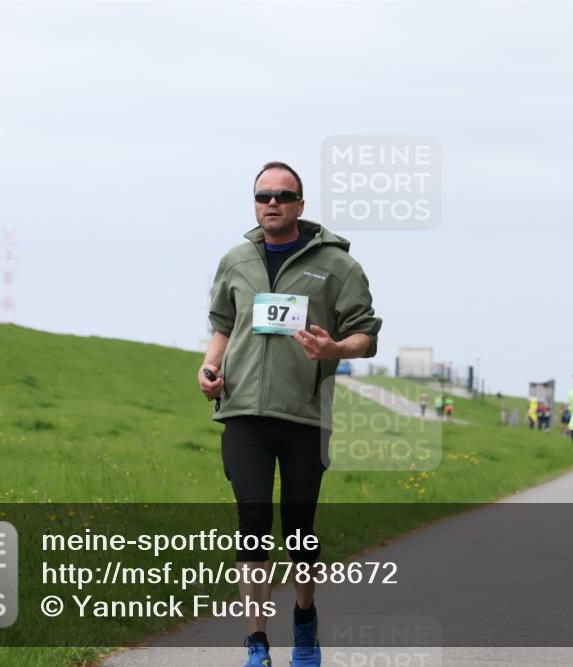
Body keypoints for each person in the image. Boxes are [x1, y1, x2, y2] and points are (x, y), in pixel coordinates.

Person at [199, 161, 382, 667]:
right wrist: (209, 366)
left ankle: (305, 621)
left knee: (299, 528)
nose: (272, 203)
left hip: (305, 416)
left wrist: (336, 349)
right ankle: (257, 643)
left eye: (283, 195)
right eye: (263, 196)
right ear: (255, 204)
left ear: (301, 204)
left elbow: (366, 334)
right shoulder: (236, 260)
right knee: (253, 518)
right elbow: (222, 322)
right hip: (242, 413)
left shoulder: (338, 266)